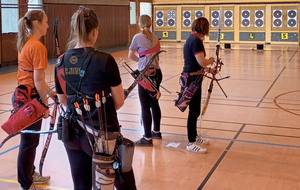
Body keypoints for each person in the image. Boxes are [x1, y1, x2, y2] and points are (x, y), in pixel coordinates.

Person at [54, 6, 136, 190]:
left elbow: (64, 101)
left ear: (74, 30)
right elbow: (119, 101)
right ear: (95, 30)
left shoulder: (60, 62)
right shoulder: (105, 60)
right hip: (103, 135)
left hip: (73, 134)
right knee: (124, 183)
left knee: (81, 185)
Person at [16, 10, 55, 190]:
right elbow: (38, 81)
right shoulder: (38, 47)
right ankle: (26, 182)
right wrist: (45, 105)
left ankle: (30, 173)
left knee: (31, 142)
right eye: (46, 22)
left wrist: (52, 94)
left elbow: (36, 79)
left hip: (24, 96)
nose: (47, 25)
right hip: (30, 99)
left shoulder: (28, 43)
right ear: (37, 23)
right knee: (28, 142)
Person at [182, 17, 216, 153]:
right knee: (194, 111)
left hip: (194, 76)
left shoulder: (192, 39)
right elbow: (201, 62)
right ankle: (191, 143)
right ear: (204, 28)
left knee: (195, 110)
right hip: (192, 79)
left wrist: (210, 70)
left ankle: (195, 137)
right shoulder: (195, 41)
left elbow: (196, 63)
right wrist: (211, 61)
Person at [128, 15, 162, 146]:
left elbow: (130, 56)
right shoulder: (155, 38)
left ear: (139, 24)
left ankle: (147, 138)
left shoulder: (137, 37)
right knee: (155, 103)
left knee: (144, 106)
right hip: (157, 73)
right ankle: (156, 132)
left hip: (145, 75)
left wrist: (141, 62)